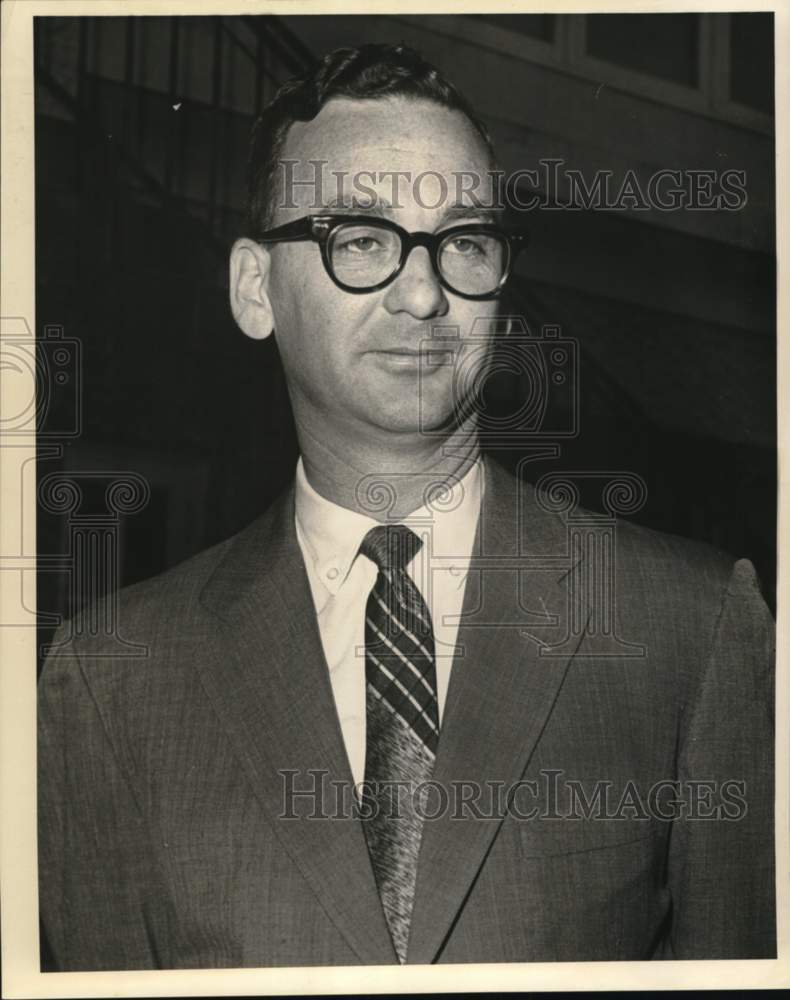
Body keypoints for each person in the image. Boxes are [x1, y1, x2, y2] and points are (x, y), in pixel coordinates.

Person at [38, 42, 775, 969]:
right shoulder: (111, 680)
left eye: (465, 241)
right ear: (255, 289)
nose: (425, 294)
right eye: (361, 239)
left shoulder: (692, 629)